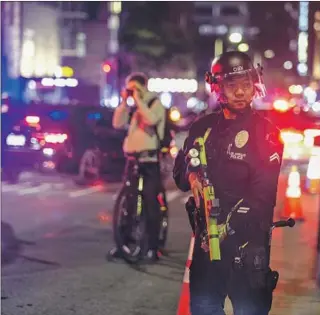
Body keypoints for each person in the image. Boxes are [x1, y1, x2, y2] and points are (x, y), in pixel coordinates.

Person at [173, 51, 284, 315]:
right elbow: (179, 173)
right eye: (232, 86)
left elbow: (263, 195)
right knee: (203, 308)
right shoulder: (202, 128)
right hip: (206, 245)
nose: (240, 93)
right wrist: (191, 175)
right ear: (218, 88)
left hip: (247, 247)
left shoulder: (267, 133)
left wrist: (226, 228)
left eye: (246, 85)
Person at [109, 72, 167, 262]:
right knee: (128, 203)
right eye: (129, 88)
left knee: (151, 203)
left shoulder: (154, 104)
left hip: (150, 160)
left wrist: (139, 100)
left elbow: (151, 120)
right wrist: (125, 102)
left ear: (144, 87)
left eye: (135, 88)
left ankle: (152, 246)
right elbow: (117, 123)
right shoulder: (133, 107)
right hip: (132, 159)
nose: (132, 92)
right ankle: (124, 242)